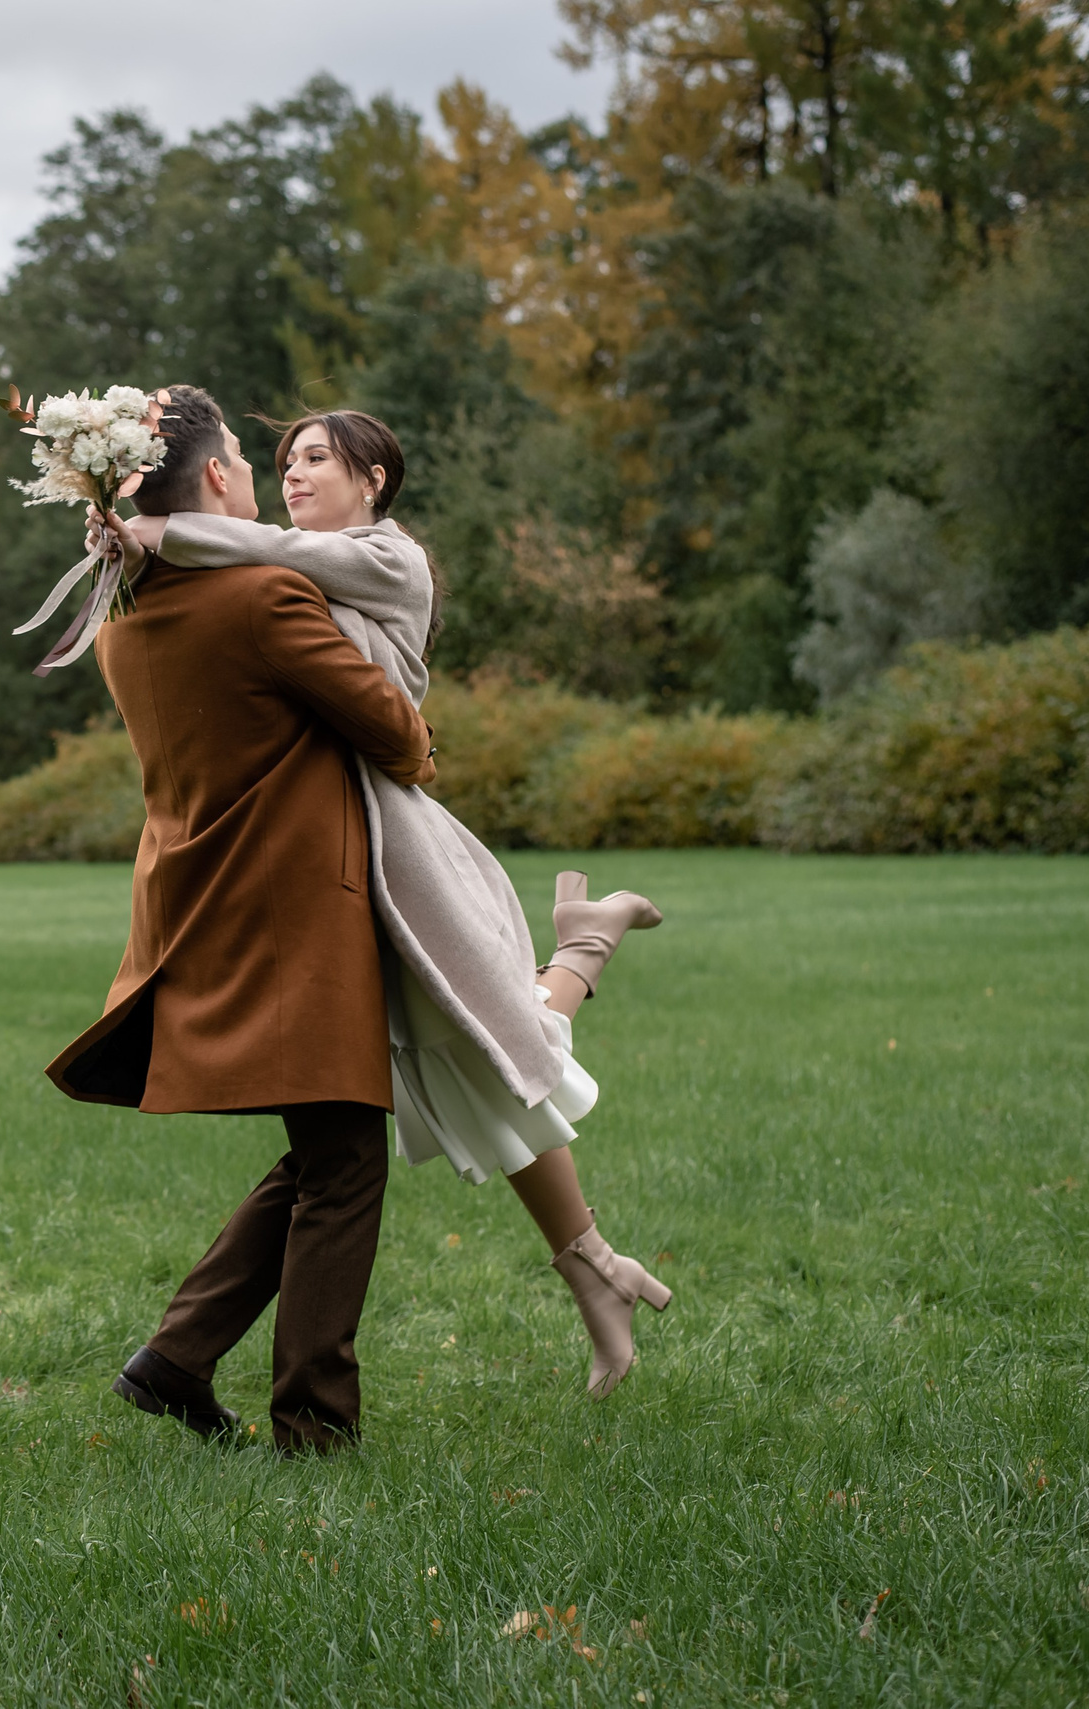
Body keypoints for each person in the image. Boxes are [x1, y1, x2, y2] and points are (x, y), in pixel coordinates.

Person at [111, 407, 670, 1400]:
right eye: (274, 459)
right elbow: (259, 570)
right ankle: (591, 1251)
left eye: (313, 457)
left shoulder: (381, 558)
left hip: (395, 840)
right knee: (456, 1068)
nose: (287, 474)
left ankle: (583, 951)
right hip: (347, 846)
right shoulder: (270, 578)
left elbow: (266, 558)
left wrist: (158, 533)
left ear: (374, 480)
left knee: (493, 1048)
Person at [43, 386, 438, 1453]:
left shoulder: (124, 616)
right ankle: (314, 1421)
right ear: (217, 477)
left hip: (194, 896)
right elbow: (394, 731)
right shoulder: (263, 598)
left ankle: (173, 1361)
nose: (267, 480)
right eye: (249, 462)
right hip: (291, 910)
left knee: (327, 1147)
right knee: (346, 1155)